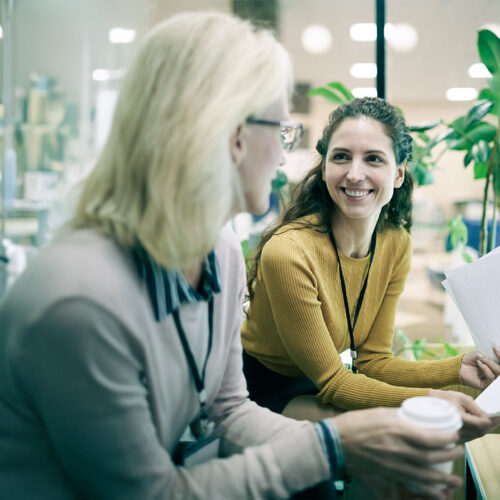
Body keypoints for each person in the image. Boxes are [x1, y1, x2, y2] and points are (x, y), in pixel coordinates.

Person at [0, 13, 464, 500]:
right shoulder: (80, 301)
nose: (287, 157)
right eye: (282, 130)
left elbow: (229, 409)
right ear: (232, 135)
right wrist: (333, 447)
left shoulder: (219, 253)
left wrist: (344, 448)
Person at [242, 97, 500, 435]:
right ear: (324, 169)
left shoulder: (395, 243)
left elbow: (373, 360)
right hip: (259, 392)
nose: (354, 173)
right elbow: (335, 383)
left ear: (398, 174)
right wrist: (433, 399)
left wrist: (458, 367)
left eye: (373, 159)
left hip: (322, 382)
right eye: (341, 157)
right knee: (410, 429)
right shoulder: (290, 252)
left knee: (473, 413)